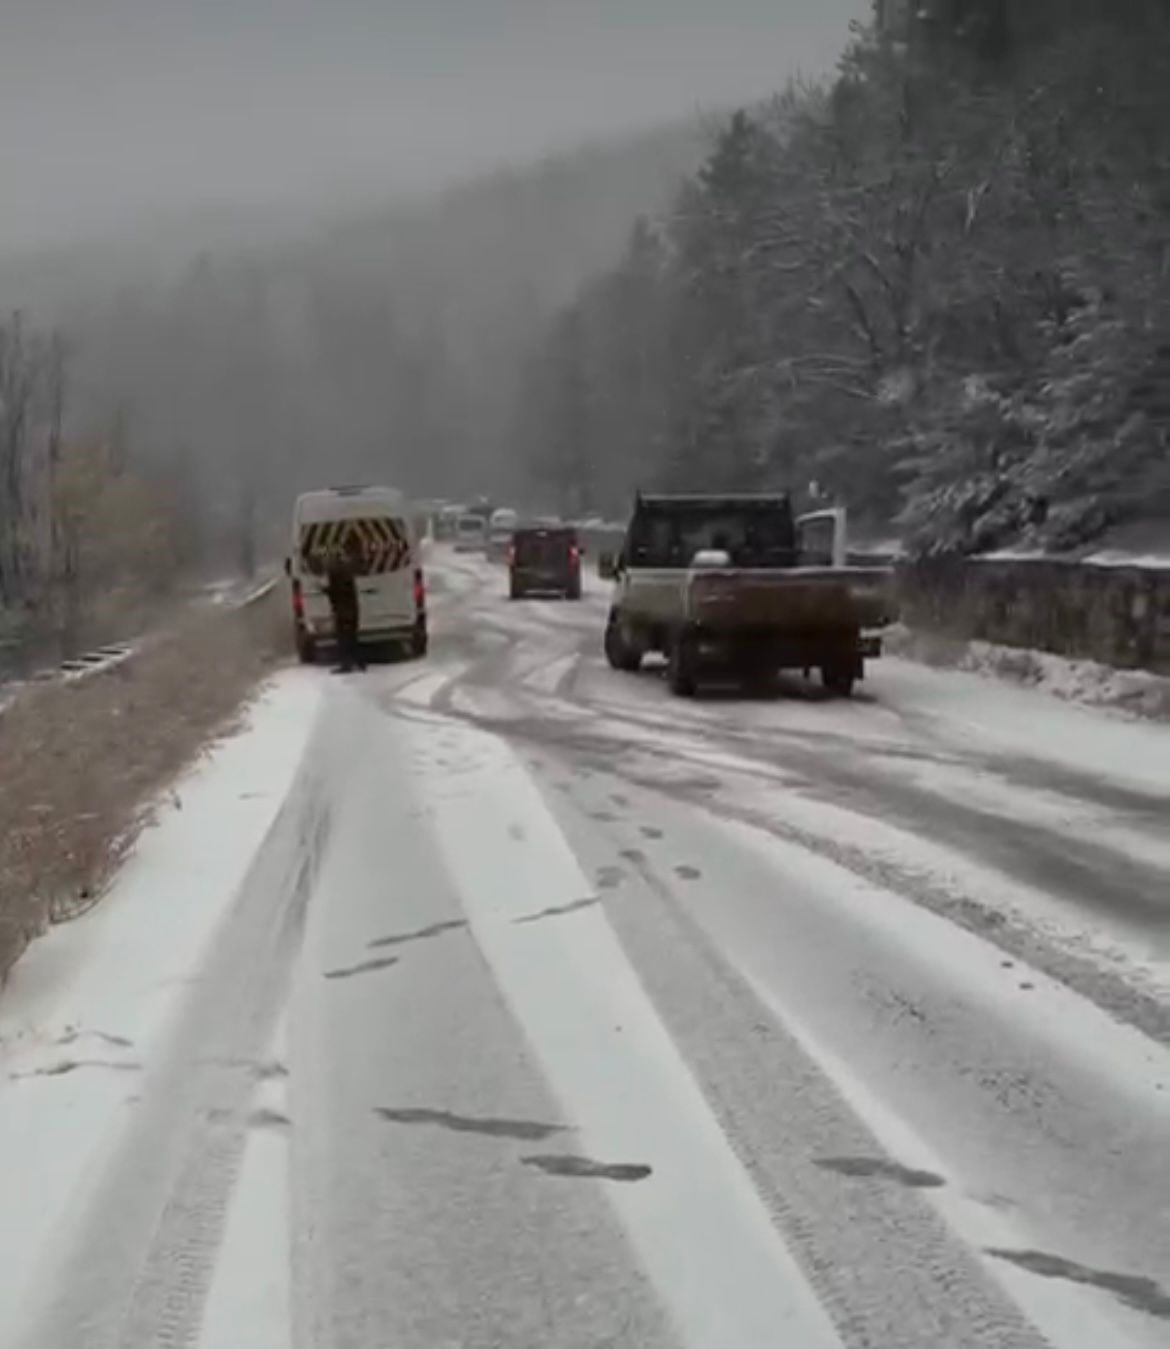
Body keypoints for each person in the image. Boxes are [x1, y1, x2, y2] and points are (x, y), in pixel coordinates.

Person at [325, 537, 365, 673]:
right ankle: (359, 662)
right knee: (352, 636)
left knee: (344, 637)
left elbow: (336, 592)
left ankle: (347, 664)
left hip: (343, 610)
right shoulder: (348, 570)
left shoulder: (337, 573)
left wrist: (327, 591)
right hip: (351, 608)